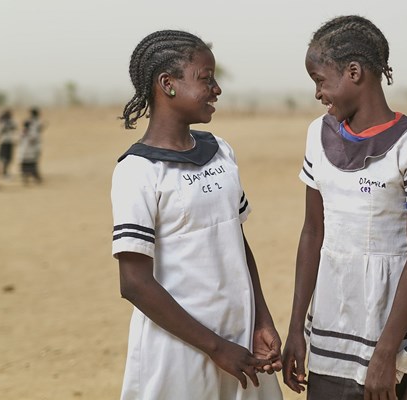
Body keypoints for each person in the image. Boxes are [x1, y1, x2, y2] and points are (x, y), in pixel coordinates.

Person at [111, 29, 283, 400]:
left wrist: (261, 320)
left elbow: (236, 239)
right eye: (206, 79)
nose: (217, 88)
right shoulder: (138, 171)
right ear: (167, 84)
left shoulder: (220, 151)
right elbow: (134, 283)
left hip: (238, 338)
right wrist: (215, 347)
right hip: (180, 348)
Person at [282, 16, 407, 400]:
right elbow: (312, 232)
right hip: (331, 319)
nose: (318, 94)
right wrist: (295, 330)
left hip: (394, 327)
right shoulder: (316, 134)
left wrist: (386, 355)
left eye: (320, 81)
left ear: (354, 72)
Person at [18, 120, 42, 185]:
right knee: (26, 167)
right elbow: (18, 140)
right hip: (25, 153)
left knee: (32, 167)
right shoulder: (22, 132)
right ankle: (25, 179)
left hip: (29, 153)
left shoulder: (32, 132)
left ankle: (36, 178)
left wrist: (27, 134)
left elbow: (33, 140)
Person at [0, 109, 18, 178]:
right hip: (5, 142)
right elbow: (0, 130)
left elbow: (15, 127)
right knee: (5, 158)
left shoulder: (11, 122)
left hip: (8, 141)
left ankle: (4, 171)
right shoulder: (2, 122)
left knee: (7, 159)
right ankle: (4, 172)